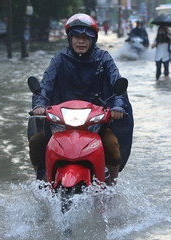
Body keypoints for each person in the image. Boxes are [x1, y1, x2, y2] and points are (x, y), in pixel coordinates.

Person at [28, 13, 134, 184]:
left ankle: (112, 187)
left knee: (113, 147)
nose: (81, 41)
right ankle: (42, 182)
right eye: (77, 36)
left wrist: (118, 107)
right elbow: (46, 84)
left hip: (96, 123)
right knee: (36, 142)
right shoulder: (59, 59)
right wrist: (39, 104)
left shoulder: (103, 58)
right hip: (60, 123)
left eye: (86, 37)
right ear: (70, 38)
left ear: (93, 39)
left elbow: (117, 83)